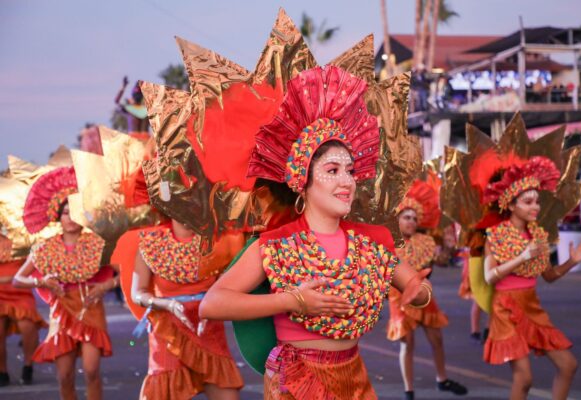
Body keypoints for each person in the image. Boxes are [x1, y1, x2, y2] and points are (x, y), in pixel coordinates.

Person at [199, 65, 432, 399]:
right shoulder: (277, 245)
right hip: (298, 379)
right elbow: (213, 303)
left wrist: (418, 293)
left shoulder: (371, 241)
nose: (347, 181)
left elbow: (416, 285)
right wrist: (294, 300)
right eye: (332, 170)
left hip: (354, 376)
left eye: (350, 171)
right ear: (301, 181)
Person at [482, 157, 581, 400]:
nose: (535, 207)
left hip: (531, 306)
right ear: (511, 205)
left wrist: (572, 262)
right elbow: (489, 277)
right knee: (524, 380)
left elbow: (550, 276)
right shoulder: (496, 236)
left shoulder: (538, 236)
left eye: (537, 202)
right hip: (505, 308)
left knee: (568, 365)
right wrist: (522, 256)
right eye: (528, 202)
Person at [13, 167, 117, 400]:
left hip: (91, 308)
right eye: (66, 213)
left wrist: (105, 286)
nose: (71, 218)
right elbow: (19, 279)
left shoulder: (99, 244)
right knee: (65, 375)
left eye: (76, 212)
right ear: (58, 216)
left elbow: (126, 272)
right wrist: (42, 281)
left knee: (91, 371)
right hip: (61, 312)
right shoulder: (44, 247)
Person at [127, 219, 244, 399]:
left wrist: (212, 307)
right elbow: (138, 293)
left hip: (207, 329)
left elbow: (227, 284)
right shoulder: (151, 241)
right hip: (168, 333)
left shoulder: (217, 239)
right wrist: (167, 305)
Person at [388, 180, 467, 400]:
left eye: (414, 218)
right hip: (400, 298)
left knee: (437, 338)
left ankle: (442, 379)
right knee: (408, 343)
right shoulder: (389, 244)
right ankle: (409, 390)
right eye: (406, 217)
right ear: (397, 219)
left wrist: (448, 251)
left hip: (423, 295)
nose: (411, 221)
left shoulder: (425, 241)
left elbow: (436, 264)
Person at [0, 234, 46, 386]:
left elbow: (35, 264)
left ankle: (28, 365)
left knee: (28, 326)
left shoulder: (21, 238)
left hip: (20, 290)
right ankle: (2, 371)